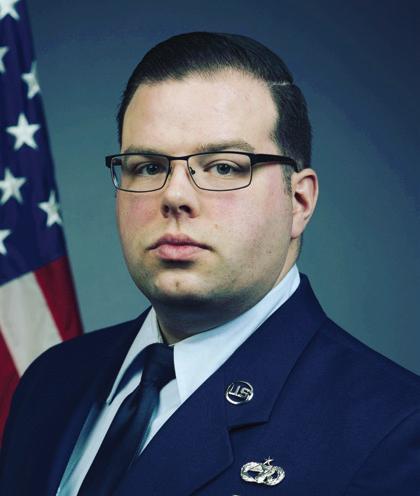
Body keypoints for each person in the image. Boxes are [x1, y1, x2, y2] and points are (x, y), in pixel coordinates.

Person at [0, 32, 419, 495]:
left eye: (223, 166)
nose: (175, 195)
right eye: (148, 166)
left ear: (298, 201)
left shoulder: (394, 431)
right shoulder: (50, 381)